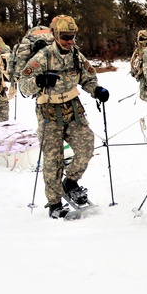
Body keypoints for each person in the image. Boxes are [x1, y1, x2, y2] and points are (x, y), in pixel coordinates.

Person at [18, 15, 109, 219]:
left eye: (72, 37)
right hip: (49, 111)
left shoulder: (76, 55)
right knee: (53, 159)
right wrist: (39, 80)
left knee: (86, 146)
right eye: (65, 37)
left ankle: (70, 183)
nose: (69, 41)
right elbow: (23, 85)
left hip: (73, 109)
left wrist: (97, 90)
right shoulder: (42, 57)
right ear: (56, 35)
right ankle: (54, 203)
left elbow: (88, 77)